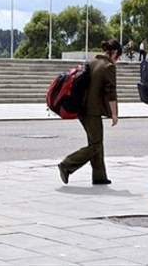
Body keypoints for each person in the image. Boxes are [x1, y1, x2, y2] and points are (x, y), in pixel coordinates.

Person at [57, 40, 122, 186]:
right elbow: (111, 93)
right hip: (92, 111)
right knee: (96, 145)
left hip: (82, 108)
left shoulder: (92, 62)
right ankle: (67, 164)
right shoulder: (108, 66)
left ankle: (99, 176)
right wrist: (114, 114)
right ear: (115, 53)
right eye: (119, 56)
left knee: (95, 142)